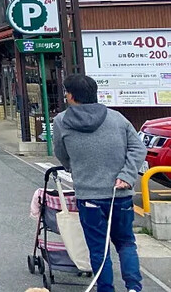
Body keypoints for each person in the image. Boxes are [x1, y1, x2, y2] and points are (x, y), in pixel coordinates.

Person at [53, 73, 146, 292]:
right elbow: (138, 148)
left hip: (88, 195)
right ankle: (134, 288)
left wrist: (74, 168)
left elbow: (61, 153)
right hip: (120, 194)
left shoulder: (61, 121)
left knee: (98, 249)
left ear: (72, 96)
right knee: (126, 243)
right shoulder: (117, 118)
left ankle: (105, 289)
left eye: (66, 91)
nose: (65, 95)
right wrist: (127, 174)